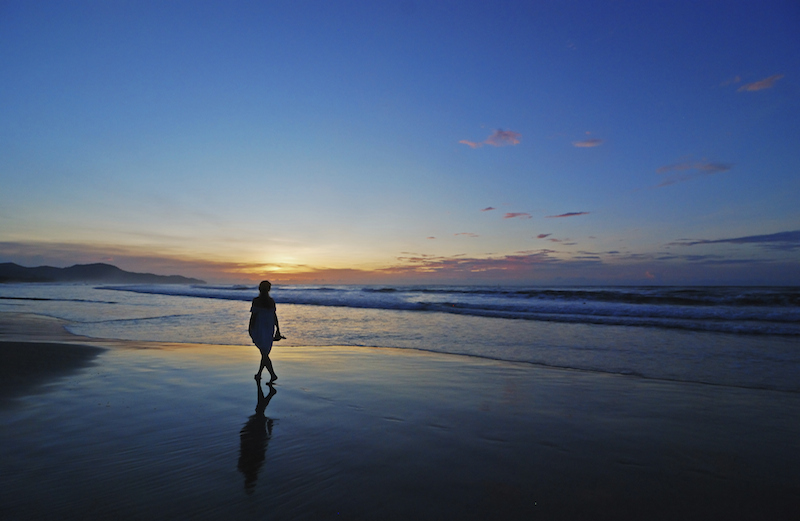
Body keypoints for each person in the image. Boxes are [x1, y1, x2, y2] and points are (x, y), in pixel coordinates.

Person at [249, 280, 283, 382]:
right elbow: (274, 316)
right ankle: (259, 374)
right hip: (269, 327)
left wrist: (250, 328)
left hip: (259, 327)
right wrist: (278, 329)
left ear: (259, 288)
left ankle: (272, 374)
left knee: (264, 353)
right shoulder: (271, 301)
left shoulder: (256, 300)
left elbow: (253, 316)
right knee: (264, 352)